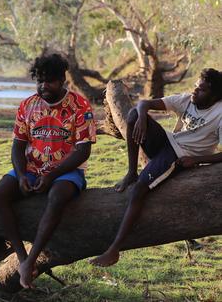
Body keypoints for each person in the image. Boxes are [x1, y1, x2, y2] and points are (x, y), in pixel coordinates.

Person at [90, 68, 222, 267]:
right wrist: (143, 117)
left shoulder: (220, 114)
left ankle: (114, 249)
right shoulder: (188, 99)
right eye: (196, 86)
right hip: (167, 142)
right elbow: (145, 103)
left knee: (139, 189)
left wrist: (196, 160)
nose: (195, 91)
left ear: (215, 96)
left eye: (201, 90)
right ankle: (131, 172)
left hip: (179, 155)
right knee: (134, 113)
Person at [0, 52, 96, 289]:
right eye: (39, 80)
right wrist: (20, 176)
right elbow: (17, 146)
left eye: (49, 81)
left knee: (57, 196)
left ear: (62, 81)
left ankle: (33, 257)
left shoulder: (79, 105)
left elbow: (83, 151)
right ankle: (21, 257)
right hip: (31, 169)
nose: (43, 86)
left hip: (67, 171)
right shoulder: (27, 105)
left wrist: (51, 175)